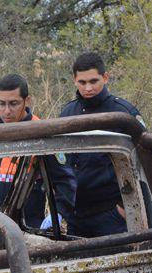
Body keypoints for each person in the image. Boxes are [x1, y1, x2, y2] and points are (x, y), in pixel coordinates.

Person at [0, 74, 75, 229]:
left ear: (27, 101)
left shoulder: (41, 133)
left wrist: (58, 213)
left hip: (25, 222)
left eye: (13, 104)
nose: (7, 111)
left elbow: (64, 180)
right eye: (1, 103)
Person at [59, 52, 145, 237]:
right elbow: (60, 162)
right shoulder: (67, 113)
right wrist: (61, 207)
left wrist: (124, 209)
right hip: (76, 214)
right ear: (74, 80)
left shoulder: (123, 114)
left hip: (111, 213)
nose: (88, 87)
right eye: (82, 82)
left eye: (93, 81)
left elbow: (145, 162)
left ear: (105, 78)